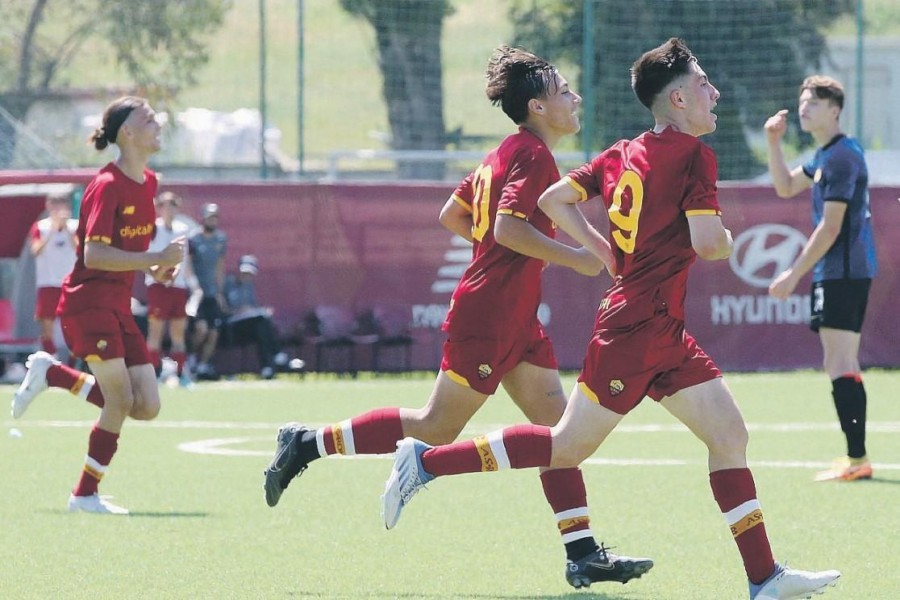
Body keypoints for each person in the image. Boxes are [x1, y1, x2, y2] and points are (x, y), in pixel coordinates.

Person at [382, 39, 841, 600]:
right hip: (636, 329)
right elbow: (710, 245)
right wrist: (719, 239)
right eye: (703, 84)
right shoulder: (694, 156)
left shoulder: (623, 151)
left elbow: (554, 200)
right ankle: (427, 462)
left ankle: (764, 578)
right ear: (677, 98)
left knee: (729, 435)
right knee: (567, 446)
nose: (713, 93)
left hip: (657, 328)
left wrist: (604, 252)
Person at [263, 45, 653, 589]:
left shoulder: (509, 152)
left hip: (513, 315)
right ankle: (305, 442)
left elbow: (453, 213)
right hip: (490, 313)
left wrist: (501, 260)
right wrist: (576, 257)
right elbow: (507, 230)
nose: (576, 96)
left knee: (559, 433)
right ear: (538, 106)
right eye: (564, 90)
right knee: (435, 428)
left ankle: (582, 552)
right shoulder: (532, 155)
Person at [10, 96, 184, 514]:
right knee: (120, 401)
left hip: (117, 305)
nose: (157, 123)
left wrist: (154, 273)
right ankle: (84, 495)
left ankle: (52, 373)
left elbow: (128, 255)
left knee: (147, 405)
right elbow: (94, 255)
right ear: (127, 132)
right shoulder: (107, 185)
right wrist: (154, 260)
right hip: (87, 304)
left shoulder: (150, 183)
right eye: (148, 118)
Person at [764, 76, 877, 483]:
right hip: (840, 270)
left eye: (813, 101)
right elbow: (785, 186)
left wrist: (793, 274)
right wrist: (774, 143)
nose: (803, 107)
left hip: (844, 270)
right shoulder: (826, 154)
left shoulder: (842, 156)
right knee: (839, 360)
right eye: (801, 101)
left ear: (835, 109)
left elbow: (830, 228)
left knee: (840, 360)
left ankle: (858, 458)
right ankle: (856, 455)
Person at [144, 191, 195, 386]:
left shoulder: (182, 229)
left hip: (178, 287)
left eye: (172, 205)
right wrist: (158, 274)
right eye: (164, 205)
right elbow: (146, 255)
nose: (168, 209)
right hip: (158, 286)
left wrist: (189, 282)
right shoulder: (153, 229)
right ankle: (153, 374)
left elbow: (185, 259)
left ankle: (182, 373)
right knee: (155, 331)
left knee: (178, 332)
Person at [28, 190, 79, 358]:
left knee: (74, 326)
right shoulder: (40, 227)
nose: (58, 209)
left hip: (69, 283)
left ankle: (74, 365)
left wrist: (65, 229)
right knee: (47, 327)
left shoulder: (75, 226)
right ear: (48, 206)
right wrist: (52, 230)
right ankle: (51, 361)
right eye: (54, 204)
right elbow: (36, 250)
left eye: (62, 204)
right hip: (47, 282)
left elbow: (79, 250)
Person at [221, 254, 285, 379]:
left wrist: (259, 310)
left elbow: (253, 307)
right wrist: (237, 310)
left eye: (249, 273)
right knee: (262, 325)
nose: (246, 276)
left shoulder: (249, 286)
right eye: (244, 272)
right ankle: (276, 355)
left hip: (249, 326)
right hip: (231, 327)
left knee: (262, 327)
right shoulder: (227, 283)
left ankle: (267, 368)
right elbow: (224, 308)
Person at [188, 202, 227, 380]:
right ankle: (190, 358)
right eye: (210, 216)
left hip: (212, 293)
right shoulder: (193, 239)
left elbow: (220, 266)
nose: (213, 220)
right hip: (196, 294)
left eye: (216, 216)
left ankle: (203, 364)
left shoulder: (221, 239)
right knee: (201, 329)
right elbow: (187, 265)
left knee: (214, 332)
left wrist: (220, 292)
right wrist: (194, 287)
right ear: (203, 218)